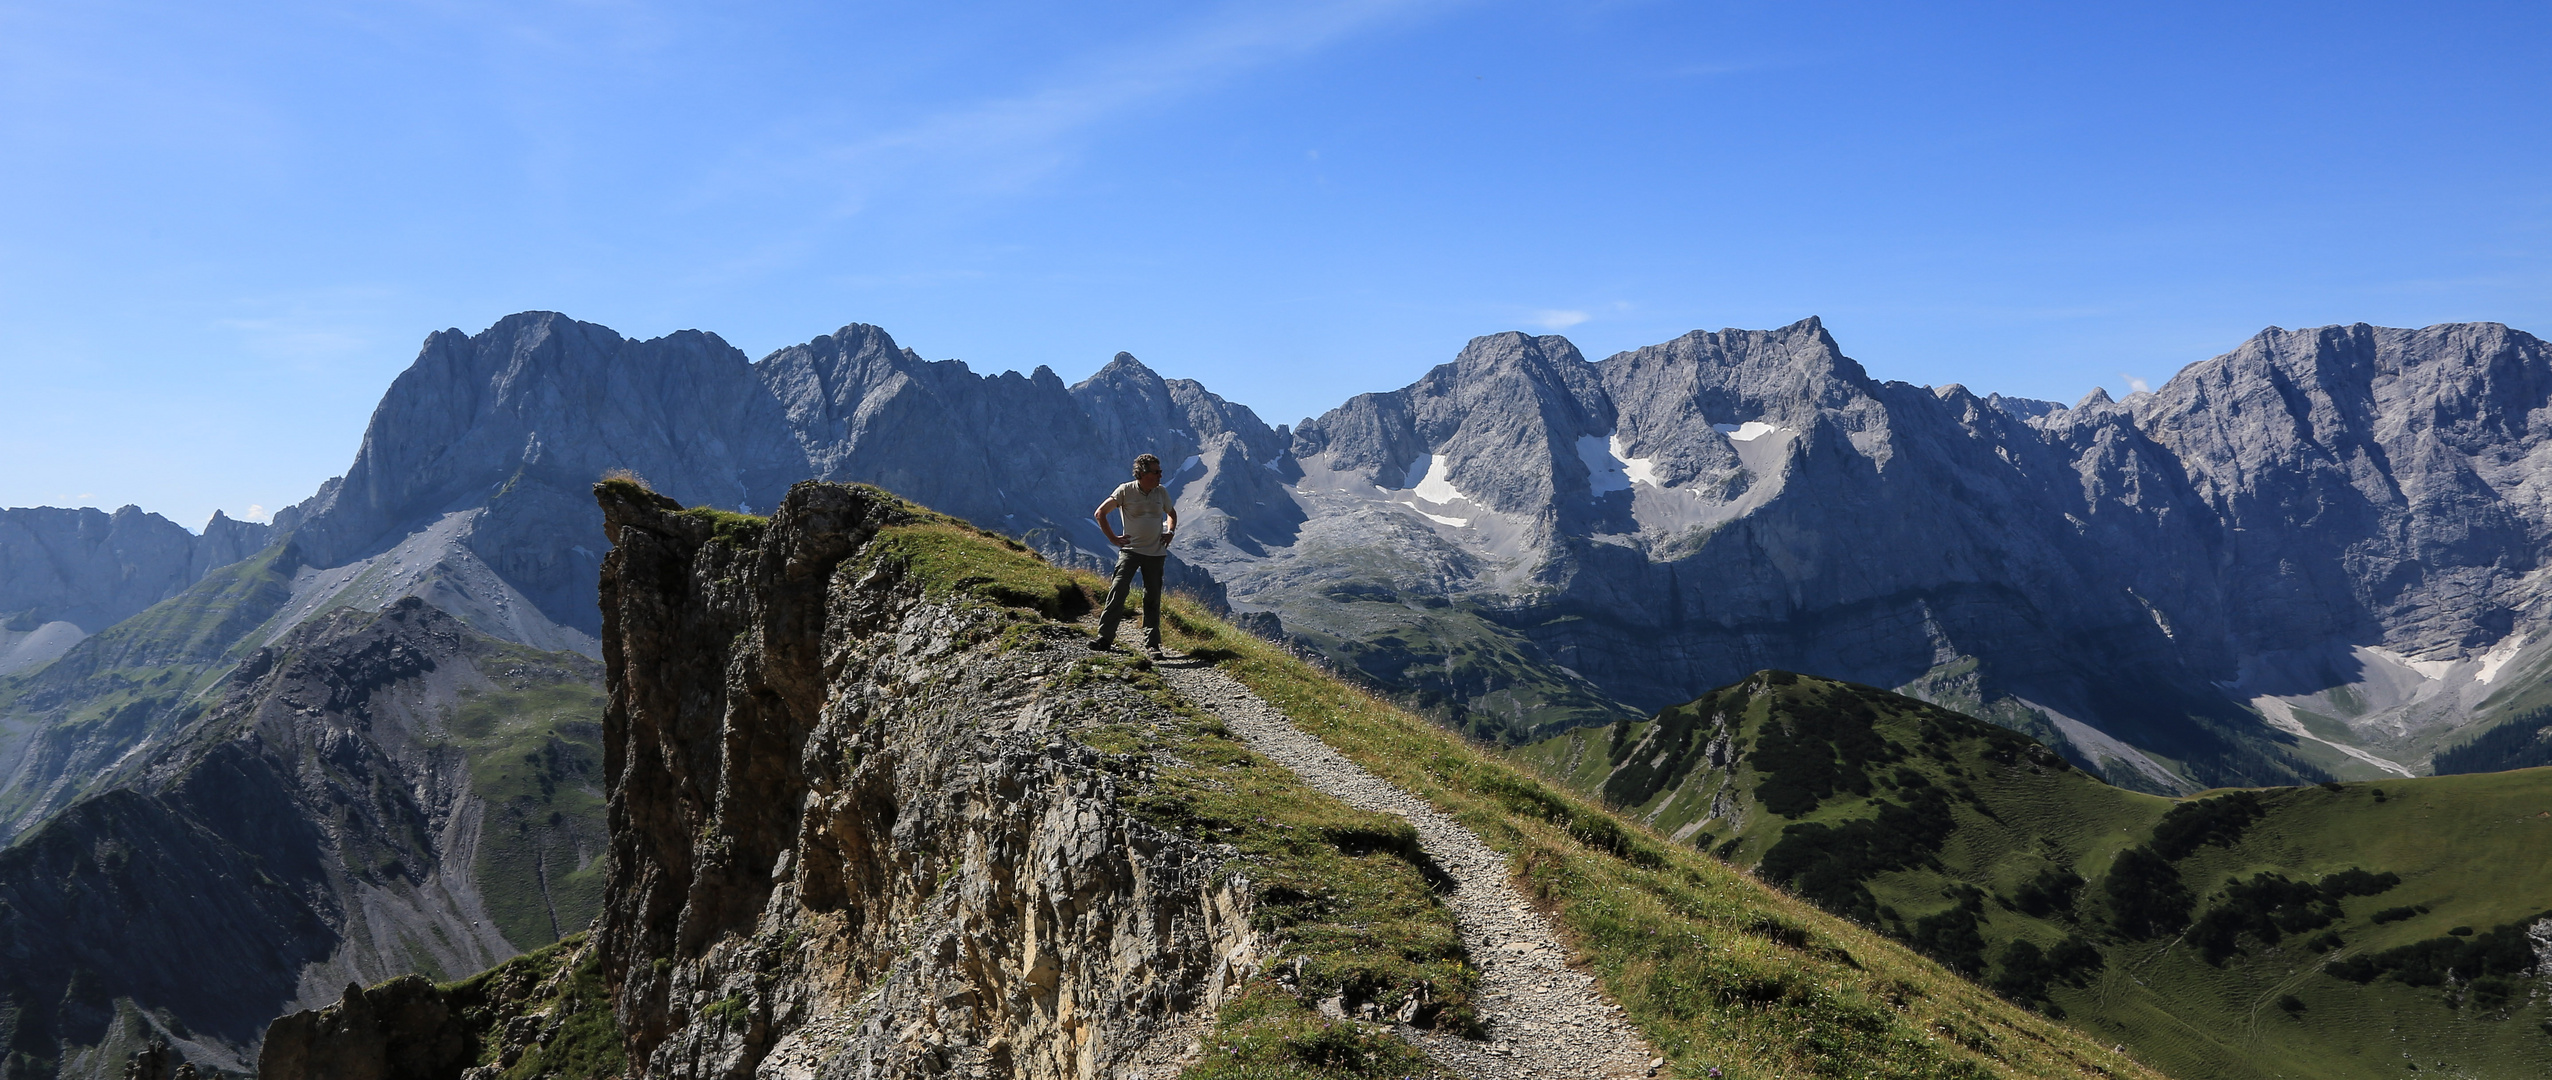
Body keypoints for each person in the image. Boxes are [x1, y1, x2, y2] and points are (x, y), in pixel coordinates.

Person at [1092, 453, 1178, 653]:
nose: (1160, 476)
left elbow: (1171, 513)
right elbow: (1100, 513)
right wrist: (1113, 539)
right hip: (1130, 551)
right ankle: (1104, 638)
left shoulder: (1161, 492)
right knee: (1118, 589)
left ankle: (1153, 644)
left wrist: (1170, 531)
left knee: (1153, 597)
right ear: (1141, 473)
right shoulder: (1125, 490)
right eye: (1156, 472)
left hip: (1155, 553)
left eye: (1160, 472)